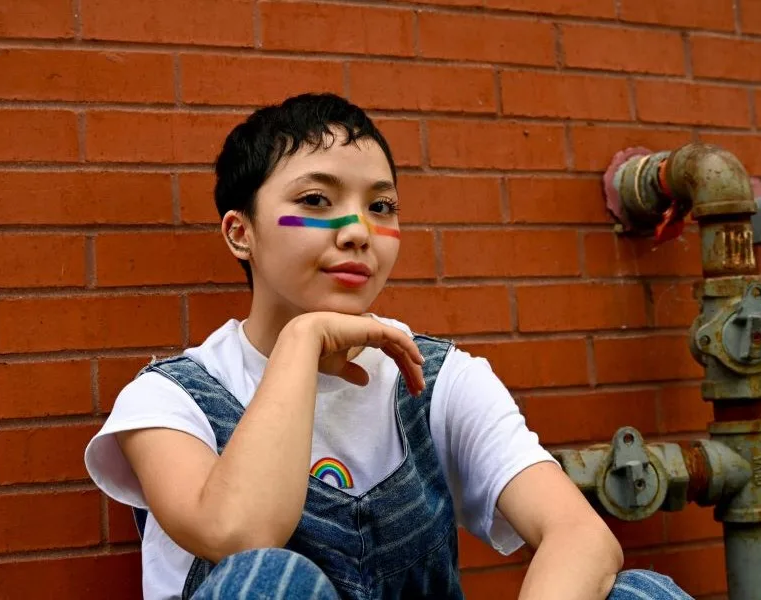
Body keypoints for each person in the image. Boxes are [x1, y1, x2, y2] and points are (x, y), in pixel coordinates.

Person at [85, 93, 692, 600]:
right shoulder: (169, 400)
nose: (357, 232)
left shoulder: (438, 376)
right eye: (315, 202)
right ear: (240, 233)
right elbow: (242, 534)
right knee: (267, 580)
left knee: (640, 594)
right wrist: (302, 342)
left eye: (380, 206)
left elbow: (580, 535)